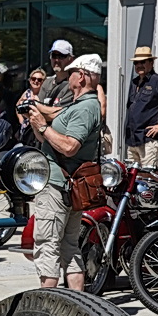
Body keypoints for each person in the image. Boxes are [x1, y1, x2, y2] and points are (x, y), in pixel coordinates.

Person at [26, 53, 104, 291]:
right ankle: (77, 303)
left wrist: (42, 126)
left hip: (58, 186)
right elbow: (51, 137)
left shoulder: (85, 108)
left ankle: (48, 305)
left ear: (81, 76)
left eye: (72, 72)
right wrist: (38, 122)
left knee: (47, 246)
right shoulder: (82, 105)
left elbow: (70, 146)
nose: (68, 76)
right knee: (69, 246)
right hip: (67, 186)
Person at [125, 47, 158, 169]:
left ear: (151, 62)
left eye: (143, 62)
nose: (139, 65)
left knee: (148, 179)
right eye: (136, 62)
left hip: (148, 141)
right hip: (132, 140)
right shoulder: (134, 83)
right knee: (132, 181)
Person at [37, 40, 75, 112]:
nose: (56, 60)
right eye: (54, 55)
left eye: (61, 56)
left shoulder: (74, 84)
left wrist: (36, 105)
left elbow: (61, 113)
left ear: (71, 59)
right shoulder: (46, 83)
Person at [16, 67, 47, 144]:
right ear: (30, 81)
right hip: (27, 129)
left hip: (38, 128)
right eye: (33, 79)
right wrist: (21, 121)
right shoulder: (27, 92)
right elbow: (17, 106)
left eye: (39, 80)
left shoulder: (44, 95)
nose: (36, 81)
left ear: (43, 82)